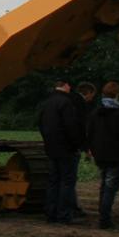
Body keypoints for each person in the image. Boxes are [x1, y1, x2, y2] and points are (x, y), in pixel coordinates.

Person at [36, 76, 84, 223]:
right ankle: (63, 215)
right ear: (67, 86)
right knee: (67, 182)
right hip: (66, 149)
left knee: (53, 182)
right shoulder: (66, 102)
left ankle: (50, 214)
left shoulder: (47, 103)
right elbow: (71, 126)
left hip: (51, 148)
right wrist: (76, 146)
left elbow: (40, 124)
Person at [87, 81, 119, 229]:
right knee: (110, 189)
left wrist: (93, 151)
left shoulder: (94, 113)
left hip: (100, 157)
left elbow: (90, 134)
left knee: (103, 187)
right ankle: (104, 220)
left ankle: (103, 217)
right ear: (117, 95)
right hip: (115, 157)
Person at [72, 81, 96, 217]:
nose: (91, 98)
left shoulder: (66, 100)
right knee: (69, 180)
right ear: (87, 93)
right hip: (71, 148)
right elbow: (81, 128)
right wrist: (85, 148)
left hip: (57, 146)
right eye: (91, 95)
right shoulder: (80, 105)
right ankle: (73, 208)